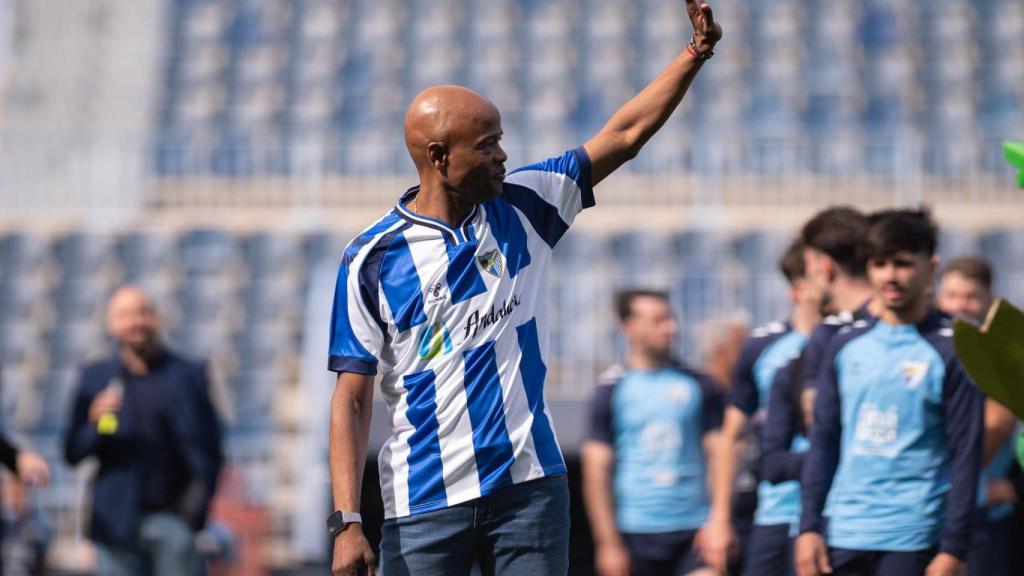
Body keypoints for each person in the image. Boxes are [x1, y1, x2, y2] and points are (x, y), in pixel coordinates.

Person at [325, 3, 723, 574]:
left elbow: (626, 134)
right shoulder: (371, 259)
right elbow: (352, 397)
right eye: (486, 144)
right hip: (424, 502)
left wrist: (695, 52)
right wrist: (347, 521)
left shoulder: (526, 204)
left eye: (500, 139)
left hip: (531, 489)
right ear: (439, 157)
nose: (503, 155)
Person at [795, 209, 985, 576]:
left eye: (902, 264)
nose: (890, 276)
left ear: (930, 268)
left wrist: (954, 548)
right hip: (845, 533)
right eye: (880, 264)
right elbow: (824, 442)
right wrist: (808, 527)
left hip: (914, 537)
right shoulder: (843, 345)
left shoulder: (952, 350)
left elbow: (966, 454)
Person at [64, 285, 224, 576]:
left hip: (175, 522)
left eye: (143, 313)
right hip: (115, 525)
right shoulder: (95, 377)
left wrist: (193, 513)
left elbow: (212, 447)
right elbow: (73, 453)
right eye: (125, 315)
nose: (136, 321)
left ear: (156, 318)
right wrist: (94, 426)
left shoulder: (188, 374)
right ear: (112, 324)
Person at [581, 290, 722, 576]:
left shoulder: (700, 384)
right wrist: (608, 543)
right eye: (659, 320)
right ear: (629, 327)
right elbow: (596, 470)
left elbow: (720, 455)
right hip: (634, 531)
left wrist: (719, 520)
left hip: (694, 530)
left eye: (671, 318)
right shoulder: (611, 390)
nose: (672, 327)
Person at [702, 239, 822, 575]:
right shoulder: (763, 347)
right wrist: (720, 519)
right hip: (777, 510)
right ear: (799, 289)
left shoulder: (850, 340)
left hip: (836, 512)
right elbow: (732, 437)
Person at [936, 257, 1019, 576]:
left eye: (971, 297)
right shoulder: (930, 353)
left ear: (989, 301)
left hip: (983, 514)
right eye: (952, 296)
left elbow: (993, 431)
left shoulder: (1000, 363)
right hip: (934, 513)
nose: (960, 306)